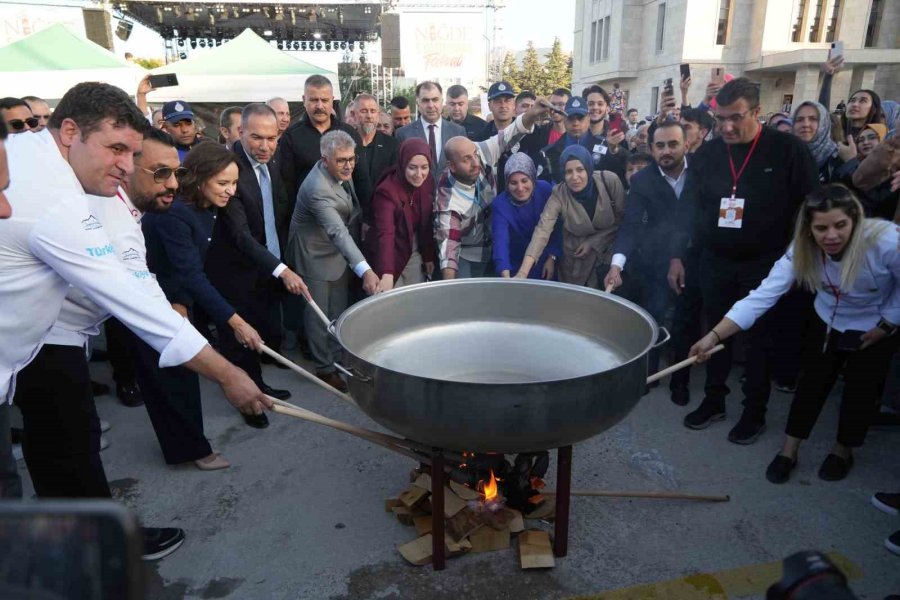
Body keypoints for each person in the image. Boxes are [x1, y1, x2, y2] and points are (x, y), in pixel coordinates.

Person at [0, 82, 268, 558]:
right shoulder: (52, 199)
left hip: (39, 341)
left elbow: (138, 284)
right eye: (116, 148)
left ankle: (84, 545)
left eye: (133, 152)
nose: (126, 166)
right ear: (68, 132)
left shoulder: (50, 162)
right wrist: (229, 375)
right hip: (26, 346)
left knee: (59, 447)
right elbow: (134, 300)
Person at [36, 128, 227, 471]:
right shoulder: (103, 210)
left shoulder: (160, 206)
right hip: (65, 333)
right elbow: (138, 286)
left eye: (178, 173)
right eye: (161, 173)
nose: (173, 185)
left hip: (155, 307)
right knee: (71, 448)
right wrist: (229, 375)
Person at [690, 185, 900, 483]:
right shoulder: (801, 250)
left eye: (840, 225)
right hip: (827, 319)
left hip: (875, 325)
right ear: (809, 229)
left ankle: (842, 450)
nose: (831, 236)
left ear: (855, 220)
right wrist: (714, 335)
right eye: (821, 228)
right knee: (812, 383)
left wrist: (888, 324)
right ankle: (790, 449)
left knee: (861, 391)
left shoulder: (886, 241)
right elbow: (762, 296)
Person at [676, 77, 819, 444]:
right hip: (715, 260)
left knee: (758, 341)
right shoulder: (707, 154)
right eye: (720, 117)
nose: (726, 126)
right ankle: (714, 400)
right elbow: (690, 208)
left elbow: (810, 206)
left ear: (757, 112)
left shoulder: (787, 150)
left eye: (735, 118)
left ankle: (754, 411)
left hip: (766, 263)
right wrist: (680, 255)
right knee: (715, 331)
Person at [143, 140, 282, 430]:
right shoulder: (175, 213)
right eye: (223, 183)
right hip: (158, 301)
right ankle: (192, 448)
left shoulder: (209, 206)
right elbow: (189, 274)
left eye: (234, 183)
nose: (231, 191)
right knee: (177, 378)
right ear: (200, 177)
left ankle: (251, 397)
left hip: (182, 295)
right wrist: (237, 323)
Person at [205, 104, 310, 427]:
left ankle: (258, 386)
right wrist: (282, 270)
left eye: (272, 138)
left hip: (266, 267)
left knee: (259, 335)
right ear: (240, 132)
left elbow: (277, 211)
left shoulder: (274, 162)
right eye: (256, 138)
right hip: (235, 272)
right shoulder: (229, 169)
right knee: (238, 340)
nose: (264, 146)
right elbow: (240, 235)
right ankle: (248, 405)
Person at [285, 130, 381, 392]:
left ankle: (338, 358)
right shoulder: (317, 189)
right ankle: (325, 369)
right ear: (324, 159)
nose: (348, 165)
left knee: (337, 309)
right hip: (313, 253)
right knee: (318, 315)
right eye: (341, 160)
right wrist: (366, 271)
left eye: (351, 159)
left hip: (335, 251)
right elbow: (337, 232)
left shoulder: (339, 172)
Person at [606, 122, 689, 378]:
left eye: (673, 144)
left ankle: (681, 381)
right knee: (653, 316)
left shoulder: (702, 171)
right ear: (652, 148)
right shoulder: (643, 180)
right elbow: (630, 226)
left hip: (697, 256)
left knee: (688, 320)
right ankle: (646, 375)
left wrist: (681, 256)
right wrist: (616, 265)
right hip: (657, 261)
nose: (667, 151)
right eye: (660, 145)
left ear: (686, 144)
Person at [435, 101, 551, 279]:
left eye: (475, 154)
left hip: (494, 244)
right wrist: (449, 288)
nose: (476, 162)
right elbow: (449, 247)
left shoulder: (479, 153)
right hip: (466, 252)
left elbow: (509, 135)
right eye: (467, 159)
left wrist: (531, 114)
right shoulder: (447, 199)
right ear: (452, 166)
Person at [516, 145, 625, 287]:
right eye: (568, 172)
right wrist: (522, 273)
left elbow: (623, 221)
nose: (574, 177)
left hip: (607, 256)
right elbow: (542, 231)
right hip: (574, 259)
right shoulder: (559, 194)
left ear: (589, 168)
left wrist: (594, 241)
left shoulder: (609, 181)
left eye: (580, 170)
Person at [279, 75, 371, 208]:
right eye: (314, 100)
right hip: (307, 219)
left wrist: (366, 219)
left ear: (332, 101)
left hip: (346, 217)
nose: (319, 106)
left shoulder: (349, 133)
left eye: (324, 100)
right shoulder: (291, 136)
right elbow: (286, 185)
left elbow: (361, 178)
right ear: (304, 100)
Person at [370, 138, 436, 290]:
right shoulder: (387, 191)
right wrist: (387, 272)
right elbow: (385, 233)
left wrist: (428, 256)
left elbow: (426, 222)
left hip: (413, 251)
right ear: (402, 164)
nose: (419, 174)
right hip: (388, 253)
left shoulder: (428, 181)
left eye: (424, 167)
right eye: (412, 168)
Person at [492, 153, 560, 279]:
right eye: (513, 182)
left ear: (533, 179)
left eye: (524, 181)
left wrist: (552, 256)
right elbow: (500, 242)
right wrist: (505, 275)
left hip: (544, 260)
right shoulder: (500, 204)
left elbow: (556, 227)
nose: (520, 188)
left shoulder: (544, 190)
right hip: (514, 264)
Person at [396, 81, 466, 178]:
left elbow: (463, 167)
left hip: (450, 191)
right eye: (425, 100)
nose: (431, 105)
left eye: (435, 100)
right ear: (418, 104)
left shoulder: (458, 132)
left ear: (442, 102)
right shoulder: (403, 134)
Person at [354, 93, 399, 221]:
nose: (369, 116)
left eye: (373, 111)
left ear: (378, 115)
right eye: (364, 111)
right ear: (354, 114)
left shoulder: (392, 145)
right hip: (350, 216)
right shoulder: (346, 142)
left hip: (381, 215)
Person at [838, 124, 897, 220]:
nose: (865, 142)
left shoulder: (892, 168)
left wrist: (851, 162)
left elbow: (877, 199)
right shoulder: (855, 163)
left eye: (872, 137)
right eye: (860, 140)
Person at [792, 101, 854, 183]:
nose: (805, 124)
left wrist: (851, 163)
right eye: (799, 119)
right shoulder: (784, 154)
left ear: (824, 122)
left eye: (813, 119)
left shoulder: (838, 158)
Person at [581, 85, 627, 183]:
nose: (595, 107)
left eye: (600, 104)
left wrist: (615, 150)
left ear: (607, 108)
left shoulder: (616, 135)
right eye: (590, 104)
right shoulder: (576, 134)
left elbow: (627, 166)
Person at [541, 96, 592, 184]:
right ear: (564, 120)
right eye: (571, 118)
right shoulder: (550, 153)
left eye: (580, 118)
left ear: (588, 119)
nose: (575, 123)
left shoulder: (605, 148)